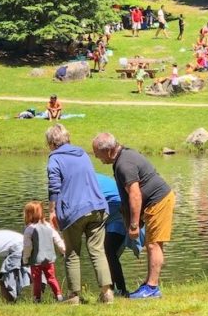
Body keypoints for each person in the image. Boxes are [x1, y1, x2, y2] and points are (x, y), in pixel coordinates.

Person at [92, 133, 175, 300]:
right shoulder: (123, 157)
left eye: (97, 153)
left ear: (108, 151)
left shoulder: (124, 164)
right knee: (153, 244)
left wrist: (134, 225)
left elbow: (135, 194)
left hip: (158, 200)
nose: (96, 156)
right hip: (156, 201)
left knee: (153, 245)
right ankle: (150, 284)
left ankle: (151, 288)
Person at [46, 124, 113, 304]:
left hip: (73, 211)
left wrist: (52, 211)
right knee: (98, 251)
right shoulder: (82, 153)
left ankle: (73, 297)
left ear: (52, 143)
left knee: (73, 253)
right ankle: (107, 293)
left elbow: (54, 187)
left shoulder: (54, 159)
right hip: (98, 207)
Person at [96, 172, 144, 297]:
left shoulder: (88, 181)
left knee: (109, 252)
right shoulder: (93, 177)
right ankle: (113, 289)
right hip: (116, 215)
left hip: (120, 216)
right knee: (109, 253)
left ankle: (121, 290)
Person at [22, 201, 65, 303]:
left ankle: (37, 299)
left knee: (36, 280)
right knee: (51, 278)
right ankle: (59, 295)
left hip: (36, 261)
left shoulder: (29, 229)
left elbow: (28, 247)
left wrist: (25, 259)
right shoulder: (48, 226)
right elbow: (58, 239)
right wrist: (64, 250)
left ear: (28, 215)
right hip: (49, 259)